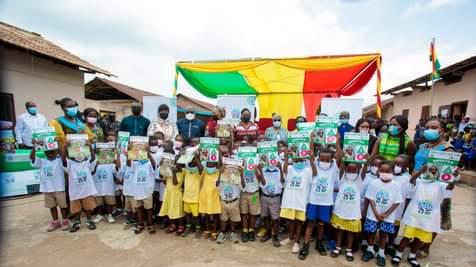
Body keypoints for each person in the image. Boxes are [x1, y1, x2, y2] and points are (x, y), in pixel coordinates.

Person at [391, 165, 455, 267]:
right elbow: (412, 180)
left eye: (435, 171)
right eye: (430, 170)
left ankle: (412, 255)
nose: (432, 172)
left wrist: (453, 179)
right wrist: (420, 171)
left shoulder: (441, 185)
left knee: (419, 239)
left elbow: (449, 188)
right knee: (406, 237)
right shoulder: (420, 181)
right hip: (414, 217)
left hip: (428, 218)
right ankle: (398, 254)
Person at [361, 161, 402, 267]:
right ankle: (370, 250)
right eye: (382, 171)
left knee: (383, 235)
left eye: (387, 171)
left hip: (388, 216)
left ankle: (381, 253)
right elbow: (371, 199)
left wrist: (386, 214)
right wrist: (376, 213)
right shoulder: (374, 183)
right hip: (373, 214)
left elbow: (397, 202)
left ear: (393, 171)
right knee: (372, 233)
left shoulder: (396, 185)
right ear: (378, 171)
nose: (384, 173)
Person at [300, 148, 338, 259]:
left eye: (327, 159)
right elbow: (313, 167)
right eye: (322, 159)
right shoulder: (314, 165)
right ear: (318, 158)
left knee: (321, 224)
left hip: (326, 202)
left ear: (332, 159)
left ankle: (319, 244)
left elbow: (339, 155)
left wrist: (337, 142)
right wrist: (312, 158)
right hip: (314, 200)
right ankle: (305, 246)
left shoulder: (334, 168)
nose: (324, 161)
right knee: (310, 223)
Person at [279, 147, 316, 255]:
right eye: (296, 160)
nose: (298, 162)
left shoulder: (307, 170)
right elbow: (284, 170)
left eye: (301, 160)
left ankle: (296, 242)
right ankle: (290, 238)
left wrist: (310, 159)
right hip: (290, 200)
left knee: (299, 222)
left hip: (301, 202)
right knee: (291, 221)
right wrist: (286, 157)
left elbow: (315, 172)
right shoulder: (290, 168)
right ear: (293, 160)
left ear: (304, 161)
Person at [30, 138, 69, 231]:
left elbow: (64, 155)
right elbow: (32, 158)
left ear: (57, 152)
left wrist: (59, 143)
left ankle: (65, 221)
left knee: (63, 206)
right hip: (47, 189)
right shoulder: (42, 161)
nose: (50, 154)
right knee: (52, 206)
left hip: (59, 188)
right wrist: (34, 146)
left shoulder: (60, 160)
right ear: (44, 153)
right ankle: (55, 222)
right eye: (47, 153)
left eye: (52, 152)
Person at [62, 137, 98, 233]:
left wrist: (90, 147)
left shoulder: (86, 163)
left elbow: (93, 158)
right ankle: (77, 222)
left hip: (86, 190)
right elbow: (63, 160)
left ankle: (89, 220)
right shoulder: (70, 164)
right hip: (75, 192)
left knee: (88, 207)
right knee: (76, 209)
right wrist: (65, 147)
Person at [330, 162, 363, 261]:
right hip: (340, 211)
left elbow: (364, 170)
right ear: (345, 170)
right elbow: (342, 165)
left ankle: (349, 249)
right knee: (339, 230)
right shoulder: (342, 179)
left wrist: (365, 162)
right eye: (349, 170)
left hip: (353, 212)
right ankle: (338, 247)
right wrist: (343, 158)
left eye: (354, 170)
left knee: (350, 232)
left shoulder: (359, 181)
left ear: (358, 171)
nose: (351, 172)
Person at [127, 142, 157, 234]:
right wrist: (130, 151)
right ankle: (140, 224)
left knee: (149, 209)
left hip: (147, 190)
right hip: (137, 190)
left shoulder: (148, 163)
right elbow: (129, 164)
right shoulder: (135, 163)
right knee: (139, 208)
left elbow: (154, 165)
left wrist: (148, 153)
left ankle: (150, 224)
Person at [92, 134, 120, 224]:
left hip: (108, 185)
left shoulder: (110, 160)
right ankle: (100, 215)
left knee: (109, 202)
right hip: (98, 185)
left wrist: (117, 155)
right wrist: (96, 163)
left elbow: (116, 168)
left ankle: (109, 215)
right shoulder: (96, 159)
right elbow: (91, 171)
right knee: (99, 202)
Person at [256, 160, 284, 247]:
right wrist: (261, 171)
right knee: (265, 217)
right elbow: (263, 183)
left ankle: (275, 235)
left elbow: (282, 181)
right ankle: (268, 232)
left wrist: (280, 169)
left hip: (275, 198)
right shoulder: (263, 169)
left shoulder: (279, 168)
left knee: (275, 219)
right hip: (265, 197)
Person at [216, 158, 244, 244]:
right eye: (228, 168)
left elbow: (243, 186)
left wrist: (241, 174)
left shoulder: (237, 177)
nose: (230, 170)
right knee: (223, 219)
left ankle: (233, 233)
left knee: (233, 219)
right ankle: (222, 233)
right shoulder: (222, 177)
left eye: (232, 168)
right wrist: (220, 173)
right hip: (224, 202)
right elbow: (217, 184)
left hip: (234, 202)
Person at [158, 149, 185, 234]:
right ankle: (172, 225)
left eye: (177, 164)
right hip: (168, 193)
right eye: (174, 163)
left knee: (178, 210)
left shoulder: (182, 172)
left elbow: (175, 183)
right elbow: (164, 181)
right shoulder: (169, 170)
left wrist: (173, 172)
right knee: (170, 209)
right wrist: (163, 166)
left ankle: (181, 226)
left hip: (177, 194)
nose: (176, 165)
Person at [199, 161, 222, 241]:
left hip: (214, 196)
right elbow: (201, 182)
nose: (209, 168)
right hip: (205, 196)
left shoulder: (218, 172)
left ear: (216, 166)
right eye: (208, 166)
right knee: (206, 215)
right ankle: (207, 230)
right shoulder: (204, 172)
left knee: (215, 215)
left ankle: (214, 232)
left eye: (211, 166)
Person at [182, 155, 203, 237]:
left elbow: (201, 168)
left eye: (192, 161)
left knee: (196, 216)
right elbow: (178, 164)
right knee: (187, 214)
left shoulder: (199, 171)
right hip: (186, 197)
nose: (191, 163)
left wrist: (196, 158)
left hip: (195, 198)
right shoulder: (186, 170)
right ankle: (188, 227)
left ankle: (198, 229)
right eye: (190, 161)